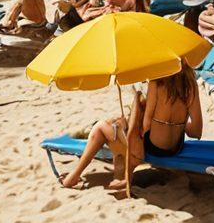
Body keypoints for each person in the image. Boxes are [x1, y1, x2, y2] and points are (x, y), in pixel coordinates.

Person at [61, 64, 203, 191]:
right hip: (174, 148)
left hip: (153, 148)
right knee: (116, 124)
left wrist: (133, 120)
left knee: (100, 128)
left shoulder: (157, 82)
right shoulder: (191, 86)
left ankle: (74, 176)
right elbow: (196, 132)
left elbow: (146, 126)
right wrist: (177, 124)